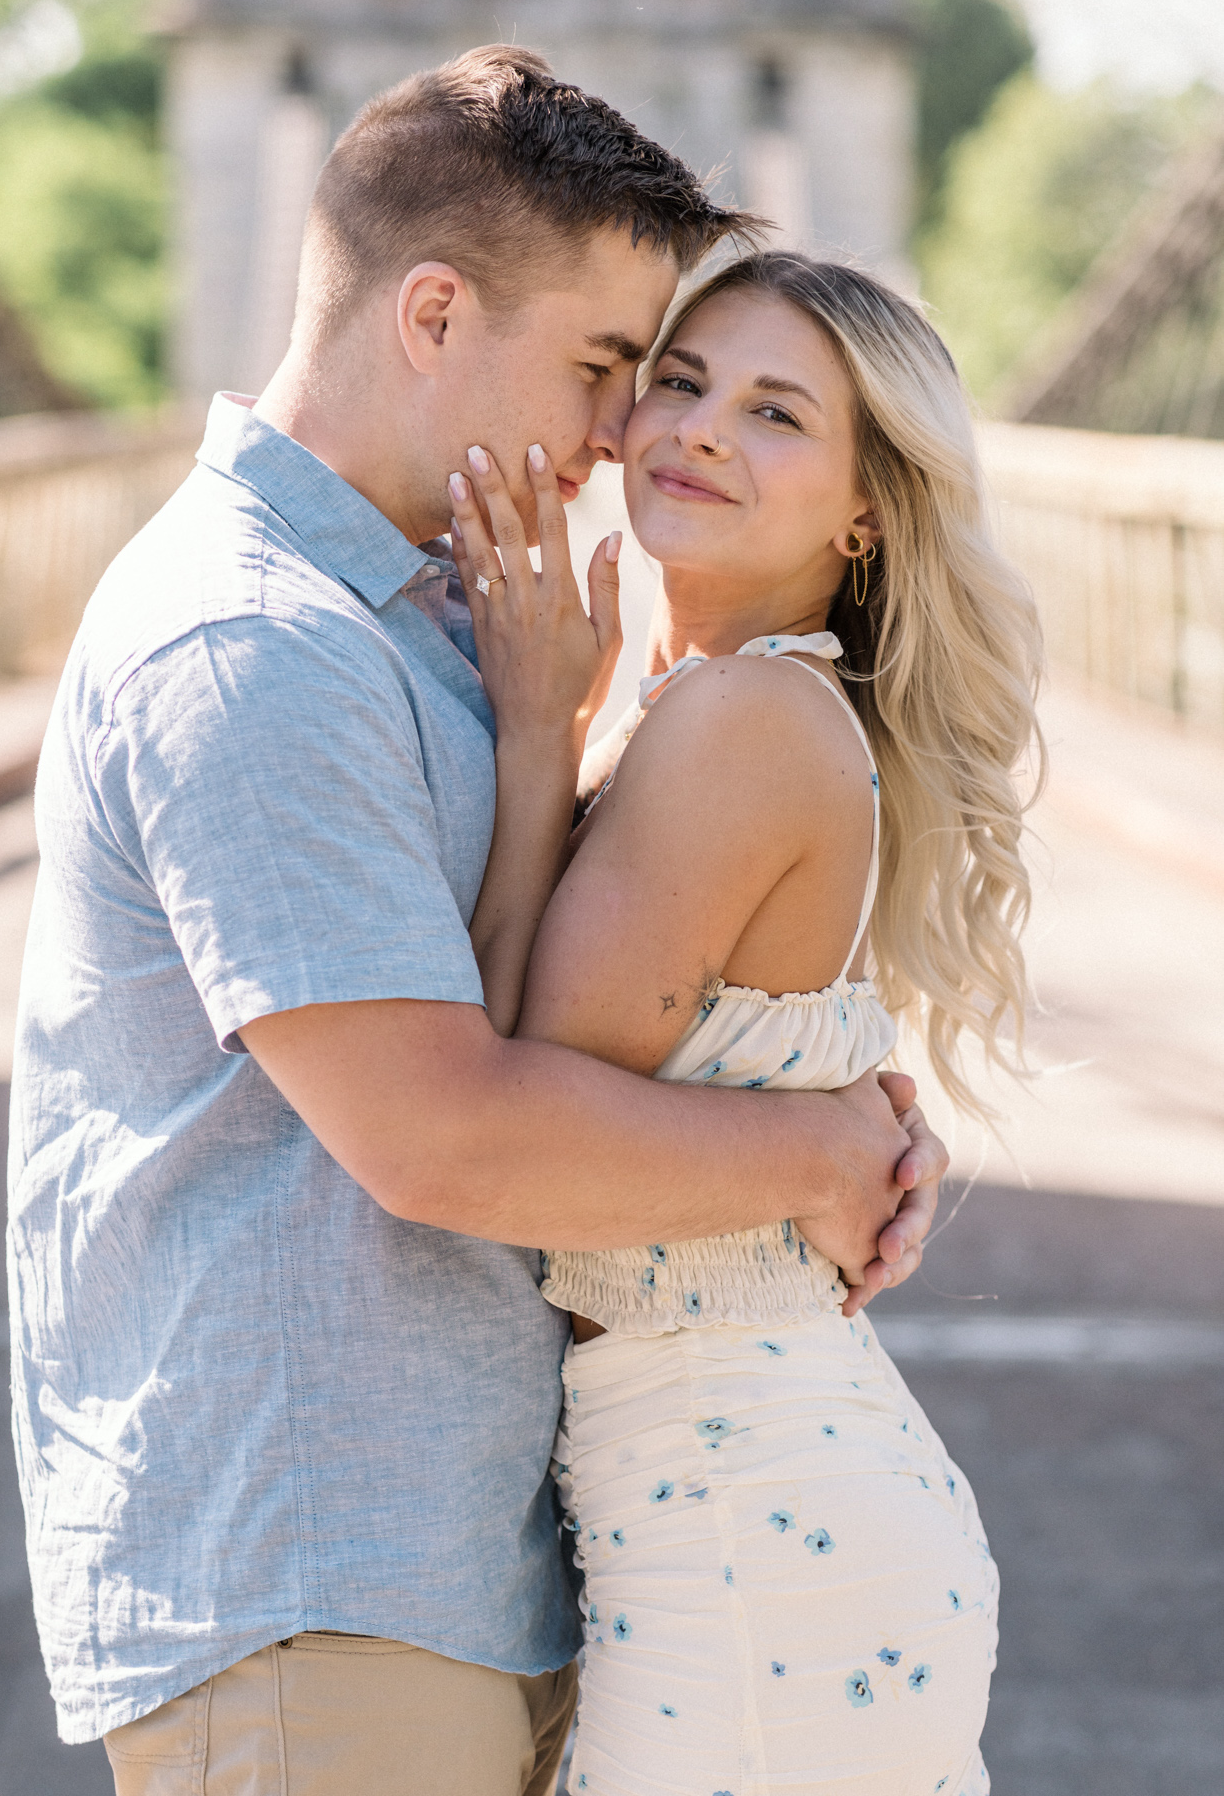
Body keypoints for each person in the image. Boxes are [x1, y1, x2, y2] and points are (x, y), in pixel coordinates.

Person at [7, 48, 950, 1796]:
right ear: (432, 311)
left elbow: (643, 993)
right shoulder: (255, 648)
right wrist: (818, 1151)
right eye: (615, 368)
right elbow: (444, 1138)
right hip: (312, 1583)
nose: (626, 436)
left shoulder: (433, 615)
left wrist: (822, 1110)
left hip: (485, 1564)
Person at [450, 250, 1043, 1796]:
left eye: (778, 412)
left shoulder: (743, 721)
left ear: (862, 509)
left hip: (756, 1540)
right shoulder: (706, 702)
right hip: (735, 1514)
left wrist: (531, 739)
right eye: (685, 381)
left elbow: (518, 1107)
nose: (702, 429)